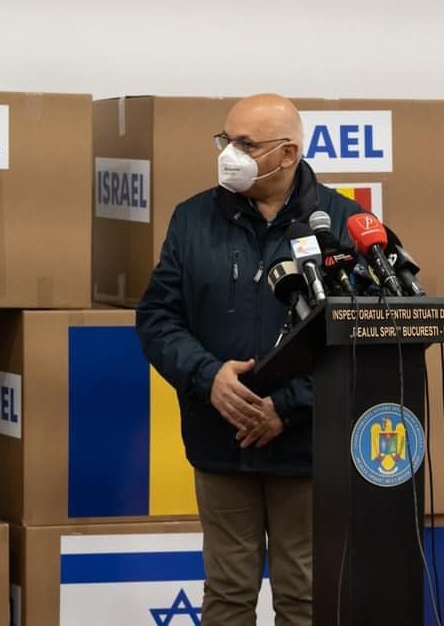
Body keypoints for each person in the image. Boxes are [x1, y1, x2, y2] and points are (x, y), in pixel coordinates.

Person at [136, 94, 362, 625]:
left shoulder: (344, 224)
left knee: (305, 597)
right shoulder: (193, 218)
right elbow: (158, 318)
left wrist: (288, 405)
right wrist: (209, 377)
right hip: (222, 440)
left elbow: (360, 339)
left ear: (287, 154)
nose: (228, 155)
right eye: (225, 139)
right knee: (228, 594)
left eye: (245, 144)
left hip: (307, 448)